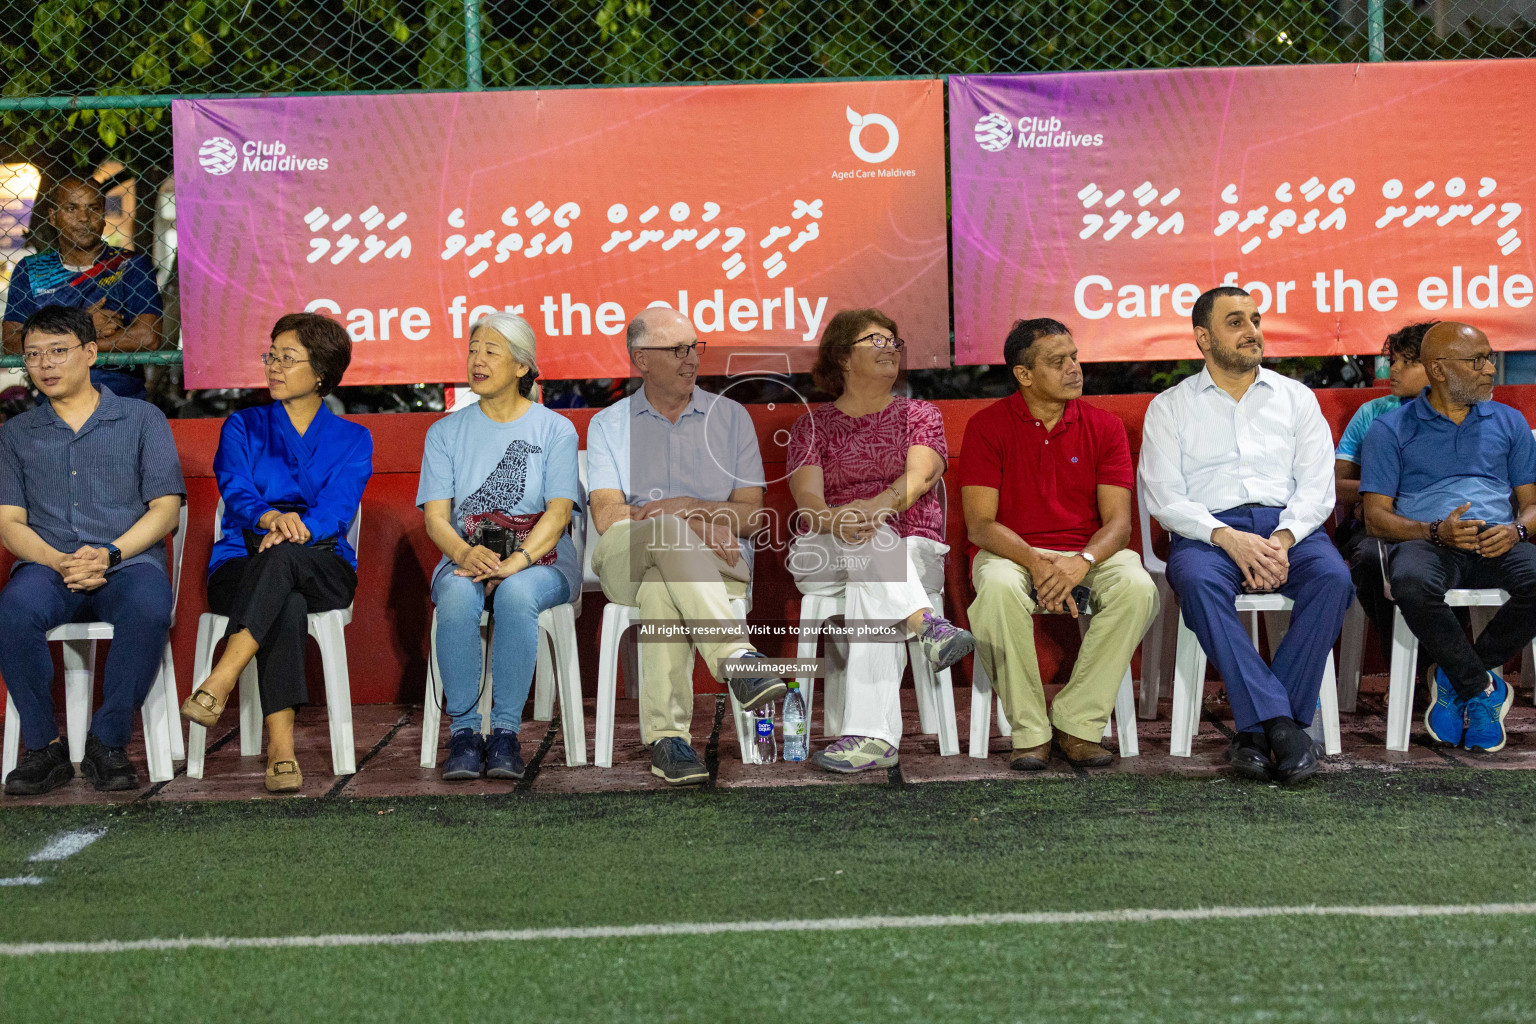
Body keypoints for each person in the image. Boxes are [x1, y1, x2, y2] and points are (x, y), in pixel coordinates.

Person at [1139, 286, 1353, 785]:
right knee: (1194, 583)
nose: (1252, 331)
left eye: (1255, 319)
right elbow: (1166, 498)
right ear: (1203, 338)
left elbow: (1318, 488)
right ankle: (1285, 726)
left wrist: (1280, 540)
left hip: (1289, 530)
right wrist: (1227, 538)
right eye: (1235, 322)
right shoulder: (1169, 408)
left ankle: (1257, 732)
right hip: (1208, 534)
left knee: (1333, 580)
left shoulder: (1297, 399)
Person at [586, 306, 781, 786]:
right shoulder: (609, 425)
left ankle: (669, 741)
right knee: (666, 540)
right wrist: (691, 519)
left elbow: (752, 517)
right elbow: (609, 517)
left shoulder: (730, 418)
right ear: (641, 359)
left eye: (695, 347)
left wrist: (691, 506)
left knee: (661, 587)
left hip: (720, 564)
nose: (691, 359)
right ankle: (736, 659)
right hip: (626, 557)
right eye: (677, 349)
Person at [179, 313, 371, 794]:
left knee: (285, 562)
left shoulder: (353, 439)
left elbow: (338, 507)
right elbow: (237, 490)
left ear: (321, 373)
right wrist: (269, 519)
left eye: (288, 358)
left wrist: (294, 529)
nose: (274, 367)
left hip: (322, 562)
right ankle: (282, 749)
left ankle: (221, 677)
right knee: (284, 597)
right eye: (272, 355)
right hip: (240, 562)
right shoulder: (243, 426)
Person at [0, 305, 184, 795]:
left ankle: (108, 741)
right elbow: (10, 524)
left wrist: (108, 554)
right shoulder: (16, 434)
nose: (46, 365)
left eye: (58, 352)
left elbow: (165, 511)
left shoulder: (143, 418)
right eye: (34, 355)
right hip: (48, 565)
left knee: (148, 607)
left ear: (90, 353)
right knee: (14, 608)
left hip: (127, 562)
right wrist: (59, 560)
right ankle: (44, 748)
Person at [960, 318, 1158, 770]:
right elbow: (981, 526)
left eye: (1074, 357)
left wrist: (1081, 561)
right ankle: (1030, 732)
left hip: (1086, 553)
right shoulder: (987, 426)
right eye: (1057, 361)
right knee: (996, 590)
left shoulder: (1103, 427)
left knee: (1137, 588)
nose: (1073, 368)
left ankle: (1076, 723)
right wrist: (1036, 562)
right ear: (1023, 374)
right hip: (1011, 553)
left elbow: (1119, 525)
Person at [786, 309, 974, 774]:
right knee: (869, 544)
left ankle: (871, 736)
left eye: (894, 340)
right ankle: (924, 623)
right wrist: (840, 521)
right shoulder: (814, 424)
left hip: (911, 545)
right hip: (824, 547)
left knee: (876, 553)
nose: (890, 347)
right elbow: (808, 501)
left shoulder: (920, 414)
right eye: (875, 340)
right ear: (843, 358)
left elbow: (922, 474)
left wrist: (876, 508)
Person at [1360, 321, 1536, 753]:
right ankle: (1479, 686)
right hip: (1429, 540)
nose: (1490, 369)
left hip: (1498, 538)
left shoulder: (1510, 422)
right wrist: (1434, 530)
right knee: (1411, 583)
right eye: (1477, 361)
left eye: (1490, 358)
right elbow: (1375, 519)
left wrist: (1516, 530)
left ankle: (1456, 677)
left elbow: (1532, 506)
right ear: (1438, 369)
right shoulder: (1390, 429)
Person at [418, 313, 580, 781]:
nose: (477, 359)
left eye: (491, 350)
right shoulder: (445, 433)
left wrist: (518, 561)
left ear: (522, 367)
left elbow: (558, 513)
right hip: (467, 552)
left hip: (541, 558)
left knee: (516, 594)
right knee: (454, 594)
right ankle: (466, 734)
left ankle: (506, 733)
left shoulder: (555, 429)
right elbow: (436, 519)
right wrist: (465, 555)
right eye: (473, 349)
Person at [2, 177, 166, 400]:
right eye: (71, 208)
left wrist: (54, 344)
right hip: (54, 406)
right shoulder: (31, 270)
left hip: (121, 403)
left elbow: (148, 337)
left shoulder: (130, 264)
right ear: (53, 216)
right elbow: (12, 343)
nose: (83, 217)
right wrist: (83, 326)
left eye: (94, 208)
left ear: (104, 216)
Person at [1334, 321, 1436, 659]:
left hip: (1438, 525)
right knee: (1368, 558)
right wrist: (1374, 494)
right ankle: (1413, 666)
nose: (1395, 369)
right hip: (1376, 527)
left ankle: (1438, 666)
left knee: (1452, 560)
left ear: (1438, 367)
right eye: (1393, 360)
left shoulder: (1457, 414)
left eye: (1409, 362)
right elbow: (1334, 485)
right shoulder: (1372, 414)